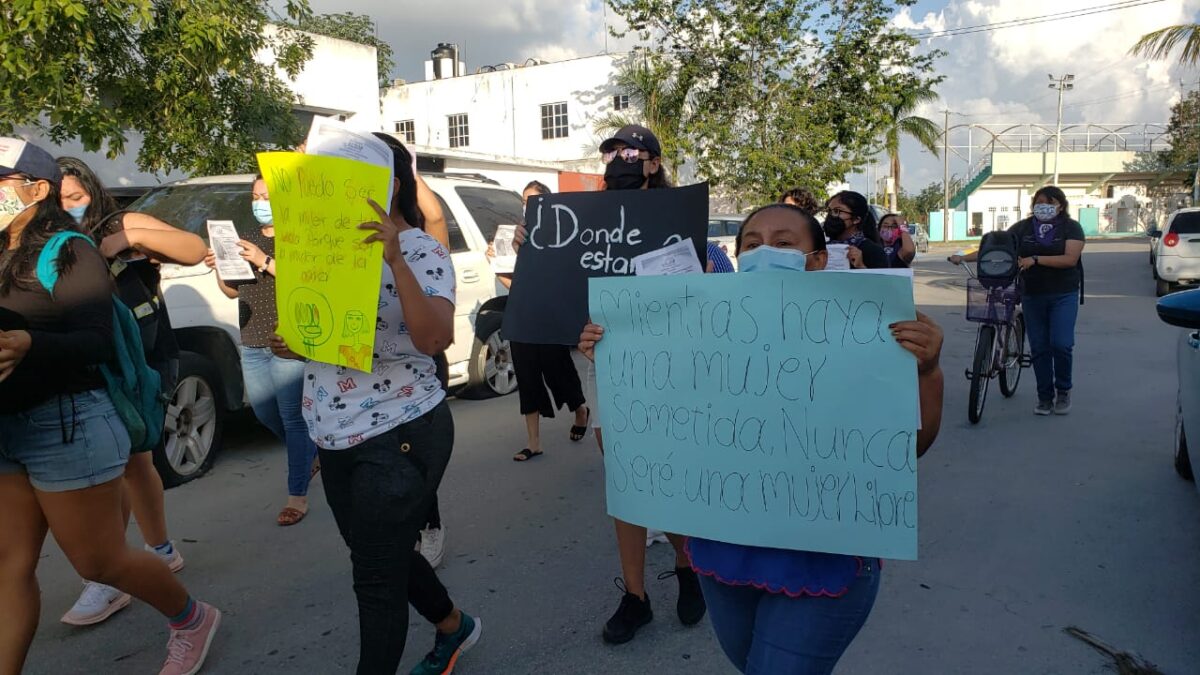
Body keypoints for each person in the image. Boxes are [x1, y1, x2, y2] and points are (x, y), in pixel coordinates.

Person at [578, 203, 945, 674]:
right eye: (752, 243)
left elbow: (910, 448)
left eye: (785, 243)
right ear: (737, 255)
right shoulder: (696, 339)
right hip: (723, 557)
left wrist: (928, 371)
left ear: (817, 259)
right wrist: (615, 360)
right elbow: (627, 447)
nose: (765, 251)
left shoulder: (868, 331)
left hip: (824, 558)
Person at [0, 138, 219, 675]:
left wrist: (31, 345)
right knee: (11, 566)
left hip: (67, 424)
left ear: (36, 189)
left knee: (98, 561)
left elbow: (96, 341)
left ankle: (191, 618)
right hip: (7, 428)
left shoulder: (69, 250)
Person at [270, 138, 480, 675]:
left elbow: (435, 341)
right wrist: (294, 338)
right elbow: (317, 335)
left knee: (375, 576)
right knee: (380, 553)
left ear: (385, 183)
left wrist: (393, 261)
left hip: (403, 430)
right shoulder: (317, 246)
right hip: (333, 430)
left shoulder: (420, 250)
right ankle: (455, 626)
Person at [55, 156, 206, 624]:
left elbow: (194, 248)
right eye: (60, 201)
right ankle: (157, 550)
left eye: (76, 198)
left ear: (92, 192)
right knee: (133, 461)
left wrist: (130, 239)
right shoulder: (52, 241)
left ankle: (106, 577)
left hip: (142, 360)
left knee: (120, 459)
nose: (69, 207)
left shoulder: (117, 222)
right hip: (92, 362)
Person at [202, 174, 320, 526]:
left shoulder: (299, 238)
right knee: (264, 413)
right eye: (255, 196)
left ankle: (297, 495)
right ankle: (312, 454)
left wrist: (264, 260)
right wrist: (219, 270)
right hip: (252, 338)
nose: (259, 202)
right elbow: (233, 292)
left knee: (292, 418)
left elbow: (308, 281)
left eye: (266, 196)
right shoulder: (246, 239)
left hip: (289, 340)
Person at [951, 186, 1084, 415]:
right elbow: (995, 248)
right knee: (1039, 347)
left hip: (1063, 293)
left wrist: (1035, 259)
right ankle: (1044, 397)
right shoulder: (1022, 228)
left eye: (1049, 203)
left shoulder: (1071, 228)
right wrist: (964, 257)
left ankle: (1063, 390)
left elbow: (1070, 259)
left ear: (1060, 205)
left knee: (1061, 344)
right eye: (1039, 202)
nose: (1043, 207)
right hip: (1032, 294)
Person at [493, 181, 590, 462]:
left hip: (551, 316)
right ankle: (533, 442)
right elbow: (512, 283)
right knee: (527, 377)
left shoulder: (562, 235)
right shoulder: (515, 236)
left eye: (534, 200)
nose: (528, 206)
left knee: (558, 370)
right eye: (525, 200)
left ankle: (580, 409)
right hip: (523, 315)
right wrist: (500, 259)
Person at [824, 190, 888, 270]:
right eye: (829, 211)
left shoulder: (873, 251)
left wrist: (860, 266)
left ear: (856, 219)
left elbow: (882, 281)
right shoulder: (822, 248)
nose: (831, 215)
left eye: (837, 211)